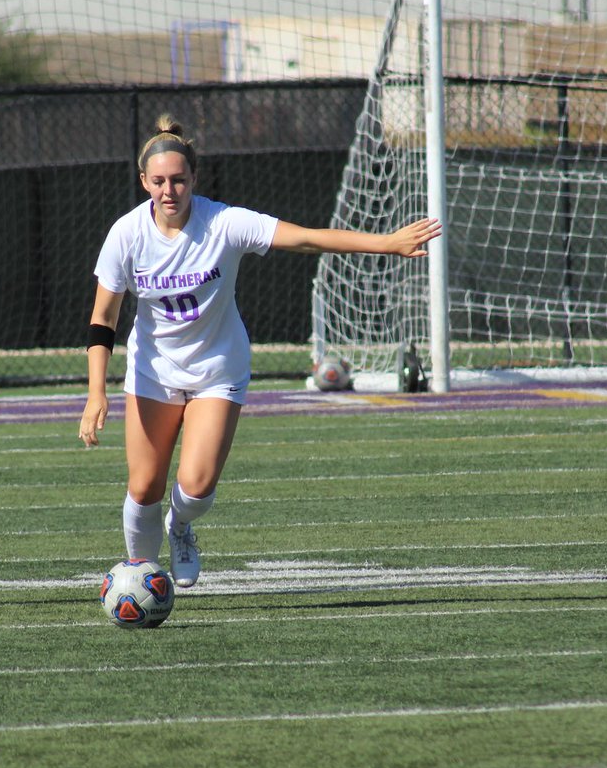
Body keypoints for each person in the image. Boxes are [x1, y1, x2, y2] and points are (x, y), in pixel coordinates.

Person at [78, 114, 441, 588]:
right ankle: (140, 578)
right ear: (144, 181)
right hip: (153, 371)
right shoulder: (126, 235)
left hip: (217, 368)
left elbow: (307, 238)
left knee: (196, 486)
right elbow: (102, 319)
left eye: (180, 180)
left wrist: (387, 244)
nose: (170, 191)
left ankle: (181, 527)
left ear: (194, 179)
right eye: (160, 181)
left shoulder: (225, 222)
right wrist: (96, 394)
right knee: (144, 488)